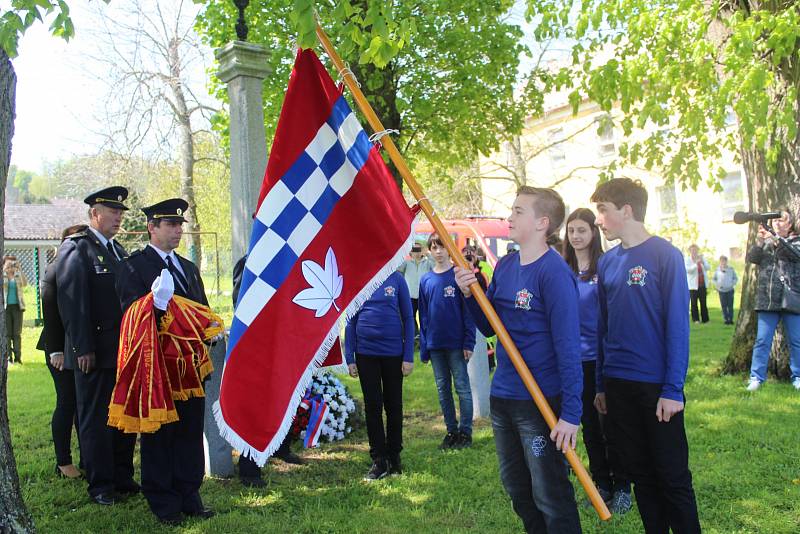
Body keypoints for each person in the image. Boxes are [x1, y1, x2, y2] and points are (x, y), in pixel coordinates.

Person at [455, 186, 583, 534]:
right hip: (505, 396)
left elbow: (569, 347)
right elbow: (490, 326)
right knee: (517, 488)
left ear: (542, 222)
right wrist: (471, 294)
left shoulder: (554, 273)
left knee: (550, 494)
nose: (509, 217)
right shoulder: (507, 265)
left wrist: (571, 414)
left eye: (518, 211)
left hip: (540, 400)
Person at [591, 178, 700, 533]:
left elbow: (677, 329)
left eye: (603, 211)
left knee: (672, 475)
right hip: (618, 385)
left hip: (656, 387)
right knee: (640, 474)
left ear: (627, 210)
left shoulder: (664, 255)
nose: (598, 221)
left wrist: (672, 389)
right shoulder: (607, 262)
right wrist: (601, 386)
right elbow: (602, 329)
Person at [116, 198, 214, 524]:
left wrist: (210, 329)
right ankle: (163, 501)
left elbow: (200, 310)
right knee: (160, 436)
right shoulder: (133, 267)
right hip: (157, 368)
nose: (177, 231)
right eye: (170, 225)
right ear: (151, 227)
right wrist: (154, 305)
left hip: (189, 369)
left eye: (179, 225)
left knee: (188, 432)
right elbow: (129, 315)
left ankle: (189, 494)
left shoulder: (188, 268)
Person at [56, 186, 138, 506]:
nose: (118, 217)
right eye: (112, 211)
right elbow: (72, 302)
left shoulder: (118, 251)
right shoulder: (77, 248)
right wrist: (81, 348)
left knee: (121, 416)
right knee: (95, 419)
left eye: (120, 213)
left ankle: (121, 474)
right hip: (93, 352)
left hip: (121, 350)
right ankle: (101, 483)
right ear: (94, 214)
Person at [561, 208, 632, 515]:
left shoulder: (606, 266)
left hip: (600, 359)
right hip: (572, 361)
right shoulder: (561, 269)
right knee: (589, 427)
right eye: (571, 231)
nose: (576, 236)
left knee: (611, 426)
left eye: (582, 230)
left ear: (593, 233)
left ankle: (623, 486)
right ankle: (601, 483)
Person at [231, 254, 304, 489]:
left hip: (284, 340)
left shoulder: (290, 257)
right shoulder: (249, 261)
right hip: (258, 344)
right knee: (255, 405)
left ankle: (281, 447)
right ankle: (249, 466)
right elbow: (240, 303)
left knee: (284, 395)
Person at [345, 271, 415, 480]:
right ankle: (379, 459)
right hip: (366, 355)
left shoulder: (397, 279)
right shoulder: (359, 278)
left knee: (394, 406)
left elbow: (409, 318)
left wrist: (409, 355)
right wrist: (350, 356)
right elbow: (350, 321)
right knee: (372, 407)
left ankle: (394, 456)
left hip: (393, 354)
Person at [37, 224, 87, 479]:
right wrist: (56, 350)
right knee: (67, 402)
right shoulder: (56, 268)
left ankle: (87, 457)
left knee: (82, 405)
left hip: (79, 345)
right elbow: (50, 313)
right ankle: (63, 461)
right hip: (59, 348)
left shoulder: (82, 267)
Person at [419, 234, 476, 450]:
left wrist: (468, 342)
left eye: (441, 247)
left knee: (462, 388)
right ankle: (451, 431)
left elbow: (468, 312)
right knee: (443, 390)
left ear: (448, 249)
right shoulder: (426, 280)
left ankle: (465, 432)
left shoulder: (457, 275)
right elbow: (423, 316)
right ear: (429, 251)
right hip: (435, 345)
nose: (438, 251)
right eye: (434, 247)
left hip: (456, 344)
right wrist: (424, 346)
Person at [744, 206, 800, 391]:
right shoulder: (767, 242)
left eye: (781, 220)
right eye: (774, 221)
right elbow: (752, 258)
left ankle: (798, 376)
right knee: (762, 341)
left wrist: (775, 239)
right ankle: (756, 378)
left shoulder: (796, 241)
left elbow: (794, 254)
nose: (776, 223)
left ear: (790, 223)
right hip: (767, 300)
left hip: (791, 299)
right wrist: (760, 240)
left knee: (796, 341)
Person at [397, 243, 433, 335]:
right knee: (410, 317)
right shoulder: (407, 263)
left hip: (424, 295)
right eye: (414, 250)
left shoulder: (428, 263)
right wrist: (404, 252)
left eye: (419, 250)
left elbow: (436, 266)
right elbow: (396, 267)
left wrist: (428, 253)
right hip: (410, 295)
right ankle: (415, 335)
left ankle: (425, 336)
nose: (417, 253)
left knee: (425, 317)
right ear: (411, 252)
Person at [3, 256, 27, 364]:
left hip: (18, 307)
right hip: (6, 308)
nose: (11, 266)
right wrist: (4, 270)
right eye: (9, 264)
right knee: (7, 334)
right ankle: (9, 358)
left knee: (17, 334)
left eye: (13, 263)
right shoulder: (3, 275)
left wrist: (20, 269)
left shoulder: (17, 275)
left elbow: (25, 284)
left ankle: (18, 357)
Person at [685, 244, 710, 323]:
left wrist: (702, 262)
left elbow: (708, 268)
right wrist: (696, 264)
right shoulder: (687, 260)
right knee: (694, 303)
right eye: (692, 250)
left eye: (696, 250)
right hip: (693, 286)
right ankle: (695, 319)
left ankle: (705, 319)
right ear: (690, 251)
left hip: (702, 284)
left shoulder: (702, 259)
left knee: (703, 302)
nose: (694, 252)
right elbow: (688, 270)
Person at [712, 255, 739, 325]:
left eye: (724, 261)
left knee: (730, 305)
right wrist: (717, 285)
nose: (723, 263)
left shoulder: (731, 269)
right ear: (720, 262)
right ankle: (726, 319)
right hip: (721, 291)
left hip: (730, 290)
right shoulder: (717, 270)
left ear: (726, 261)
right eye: (722, 261)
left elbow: (735, 278)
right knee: (724, 306)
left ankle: (730, 319)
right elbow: (713, 279)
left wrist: (732, 284)